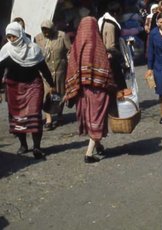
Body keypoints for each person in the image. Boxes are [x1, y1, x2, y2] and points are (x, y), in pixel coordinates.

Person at [0, 22, 56, 159]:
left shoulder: (33, 49)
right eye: (9, 37)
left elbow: (43, 68)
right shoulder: (6, 50)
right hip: (14, 88)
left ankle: (37, 147)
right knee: (18, 118)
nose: (12, 39)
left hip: (33, 86)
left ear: (20, 34)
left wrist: (52, 84)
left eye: (13, 36)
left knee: (34, 115)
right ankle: (23, 145)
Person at [64, 17, 116, 163]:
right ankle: (88, 153)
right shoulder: (97, 44)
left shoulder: (76, 45)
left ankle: (98, 146)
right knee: (97, 117)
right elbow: (104, 66)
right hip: (97, 89)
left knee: (89, 118)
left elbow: (72, 66)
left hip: (82, 90)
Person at [35, 19, 71, 130]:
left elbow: (69, 51)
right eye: (43, 30)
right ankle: (49, 119)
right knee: (47, 95)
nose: (46, 32)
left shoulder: (62, 36)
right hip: (46, 72)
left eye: (48, 30)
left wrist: (70, 66)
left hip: (60, 70)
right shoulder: (38, 38)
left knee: (59, 94)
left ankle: (60, 115)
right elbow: (37, 54)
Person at [98, 1, 128, 90]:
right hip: (112, 60)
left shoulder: (105, 21)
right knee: (118, 84)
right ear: (115, 12)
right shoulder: (110, 25)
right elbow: (110, 46)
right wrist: (122, 60)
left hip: (111, 58)